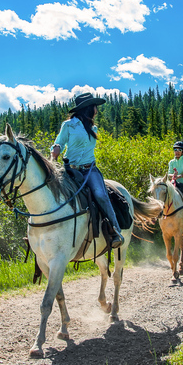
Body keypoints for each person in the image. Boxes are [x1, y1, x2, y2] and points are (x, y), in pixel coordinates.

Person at [51, 92, 124, 248]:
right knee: (55, 193)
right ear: (88, 108)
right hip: (70, 170)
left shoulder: (93, 127)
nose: (96, 110)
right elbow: (59, 143)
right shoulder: (68, 125)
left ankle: (115, 231)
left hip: (89, 170)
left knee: (101, 195)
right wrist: (55, 150)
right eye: (95, 107)